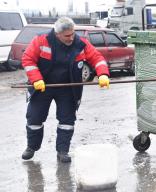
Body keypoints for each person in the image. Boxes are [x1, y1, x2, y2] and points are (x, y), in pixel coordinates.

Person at [21, 17, 110, 163]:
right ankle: (32, 147)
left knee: (67, 120)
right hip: (43, 86)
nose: (71, 37)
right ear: (57, 34)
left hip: (68, 88)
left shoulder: (80, 43)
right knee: (34, 118)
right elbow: (28, 59)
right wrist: (36, 79)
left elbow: (97, 57)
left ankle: (62, 151)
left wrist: (103, 74)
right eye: (67, 35)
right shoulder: (41, 40)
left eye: (73, 33)